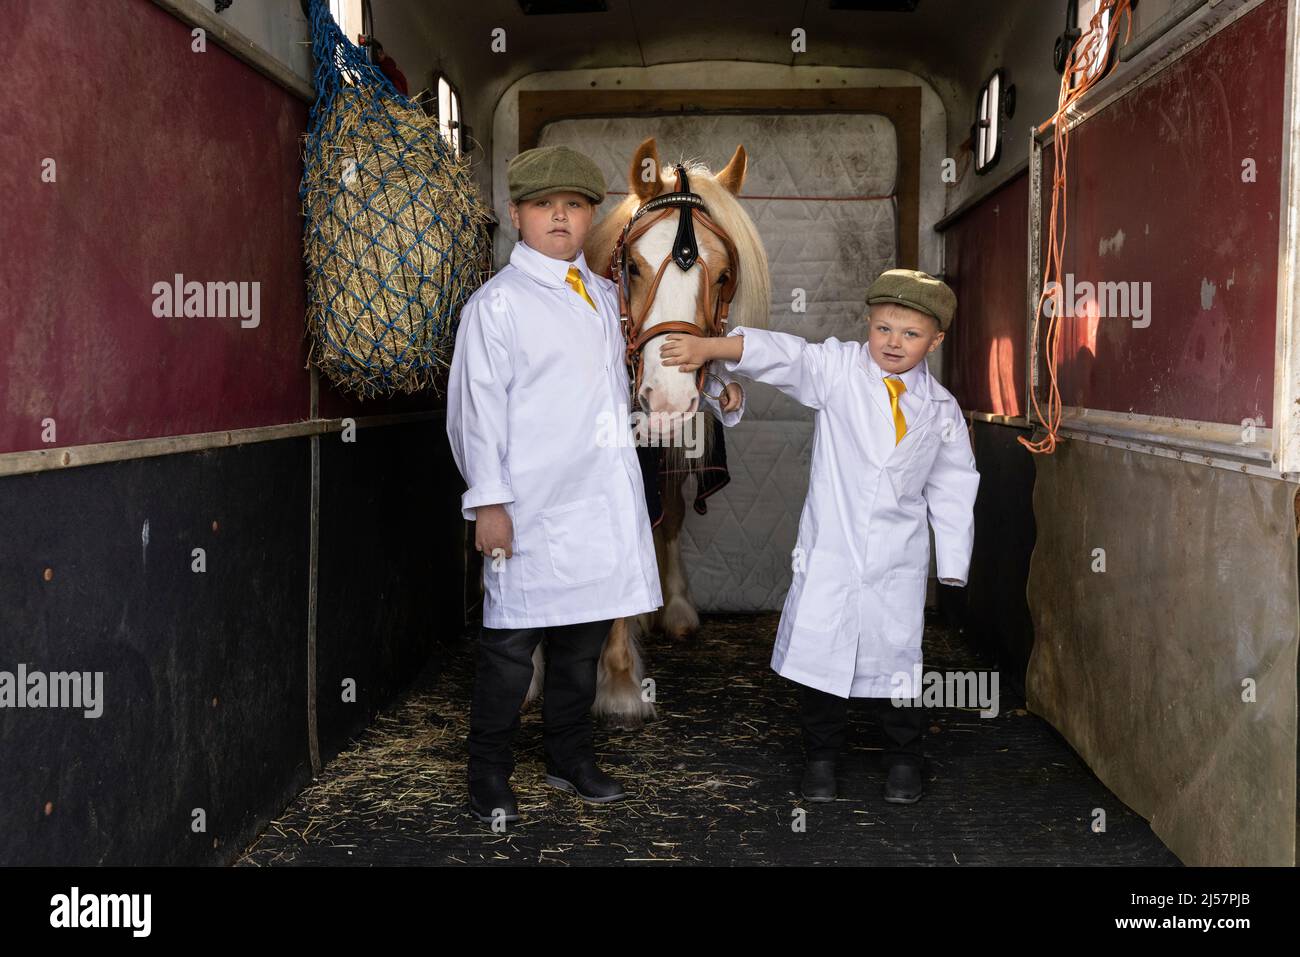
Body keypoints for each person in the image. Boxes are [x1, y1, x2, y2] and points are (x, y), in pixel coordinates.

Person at [446, 145, 743, 824]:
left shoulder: (613, 298)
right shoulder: (496, 308)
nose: (560, 216)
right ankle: (488, 770)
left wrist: (720, 390)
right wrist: (487, 500)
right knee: (510, 648)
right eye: (544, 205)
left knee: (581, 644)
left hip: (598, 506)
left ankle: (568, 757)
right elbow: (473, 411)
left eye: (575, 205)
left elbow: (670, 349)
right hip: (529, 506)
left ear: (591, 218)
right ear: (517, 214)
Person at [660, 268, 979, 804]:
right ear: (868, 326)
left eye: (910, 334)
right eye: (882, 329)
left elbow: (953, 483)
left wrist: (952, 560)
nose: (893, 343)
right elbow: (785, 355)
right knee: (821, 661)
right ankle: (822, 757)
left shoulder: (941, 409)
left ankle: (905, 757)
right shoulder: (837, 369)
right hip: (831, 552)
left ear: (937, 339)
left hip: (896, 560)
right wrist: (709, 346)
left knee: (898, 659)